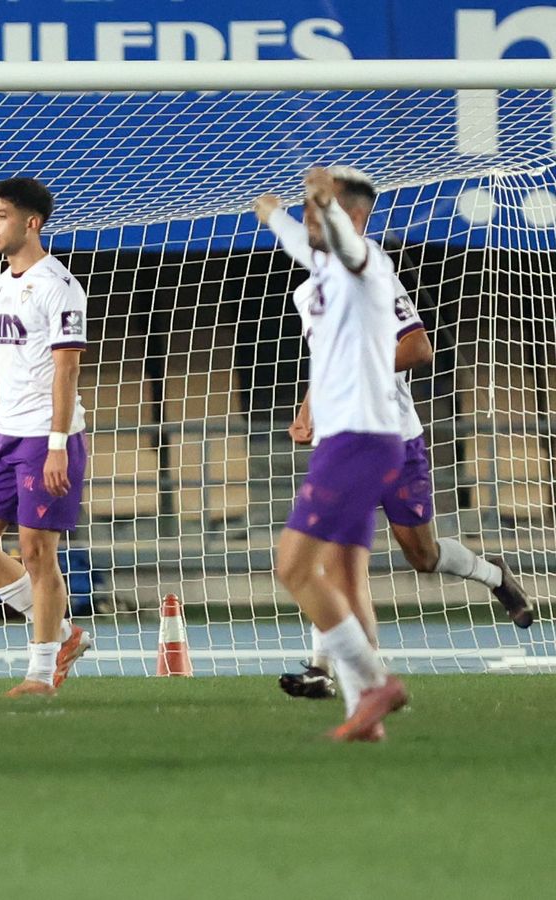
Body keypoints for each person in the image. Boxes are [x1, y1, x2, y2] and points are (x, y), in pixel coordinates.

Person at [280, 269, 534, 701]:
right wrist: (310, 405)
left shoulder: (373, 277)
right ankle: (323, 669)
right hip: (342, 441)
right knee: (334, 557)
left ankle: (494, 575)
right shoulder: (306, 292)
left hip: (395, 437)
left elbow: (416, 348)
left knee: (423, 555)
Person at [255, 166, 411, 741]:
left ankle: (375, 683)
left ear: (352, 218)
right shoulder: (320, 264)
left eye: (321, 210)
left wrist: (325, 203)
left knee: (294, 567)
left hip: (360, 439)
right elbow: (305, 241)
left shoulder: (367, 264)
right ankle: (363, 714)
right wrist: (274, 214)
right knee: (339, 577)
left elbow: (342, 241)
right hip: (346, 440)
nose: (312, 219)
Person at [0, 177, 93, 698]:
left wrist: (58, 444)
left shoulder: (59, 286)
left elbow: (67, 371)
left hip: (44, 439)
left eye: (2, 215)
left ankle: (40, 674)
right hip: (2, 439)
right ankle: (61, 634)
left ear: (31, 223)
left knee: (38, 551)